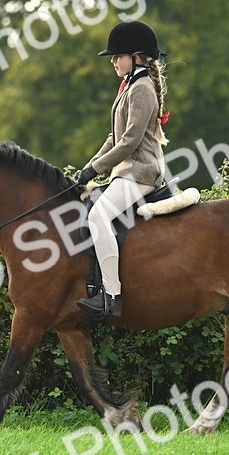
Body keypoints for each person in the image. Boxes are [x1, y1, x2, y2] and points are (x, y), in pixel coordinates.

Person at [75, 20, 169, 319]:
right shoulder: (130, 86)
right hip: (127, 170)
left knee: (98, 215)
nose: (114, 61)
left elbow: (128, 142)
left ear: (138, 57)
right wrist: (89, 167)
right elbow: (113, 138)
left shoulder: (141, 89)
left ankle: (112, 296)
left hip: (141, 170)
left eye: (118, 56)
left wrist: (97, 169)